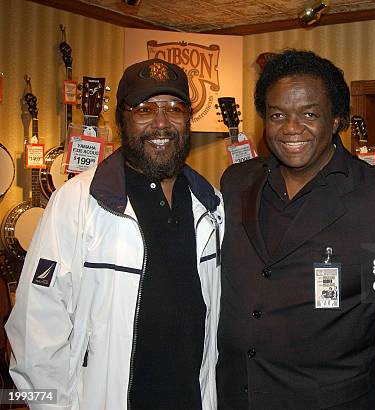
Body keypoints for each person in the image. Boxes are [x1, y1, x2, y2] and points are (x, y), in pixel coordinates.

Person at [6, 58, 224, 410]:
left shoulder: (211, 205)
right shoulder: (77, 202)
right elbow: (35, 331)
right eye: (145, 109)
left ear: (188, 119)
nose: (162, 123)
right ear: (122, 118)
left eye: (175, 108)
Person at [217, 49, 375, 409]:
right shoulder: (236, 184)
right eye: (277, 115)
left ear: (335, 119)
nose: (291, 128)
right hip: (236, 396)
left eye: (309, 114)